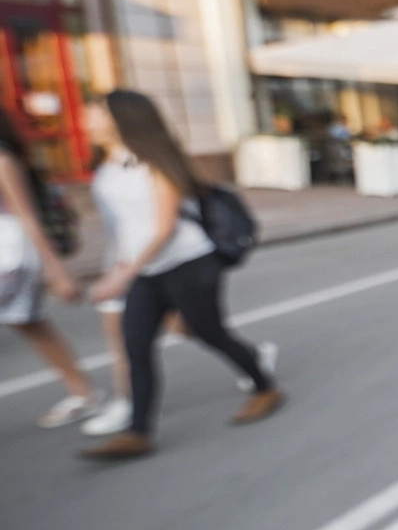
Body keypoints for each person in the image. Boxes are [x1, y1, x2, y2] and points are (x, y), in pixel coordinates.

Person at [80, 90, 282, 461]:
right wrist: (119, 267)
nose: (87, 119)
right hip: (146, 268)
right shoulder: (108, 167)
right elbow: (125, 228)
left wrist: (123, 277)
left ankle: (265, 386)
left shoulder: (157, 163)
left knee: (210, 333)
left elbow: (163, 229)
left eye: (95, 113)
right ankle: (138, 433)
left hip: (189, 263)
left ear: (122, 119)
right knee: (136, 346)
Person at [0, 107, 100, 427]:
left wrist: (56, 270)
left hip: (10, 257)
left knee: (30, 324)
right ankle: (83, 393)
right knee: (30, 325)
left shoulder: (3, 160)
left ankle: (84, 393)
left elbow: (26, 216)